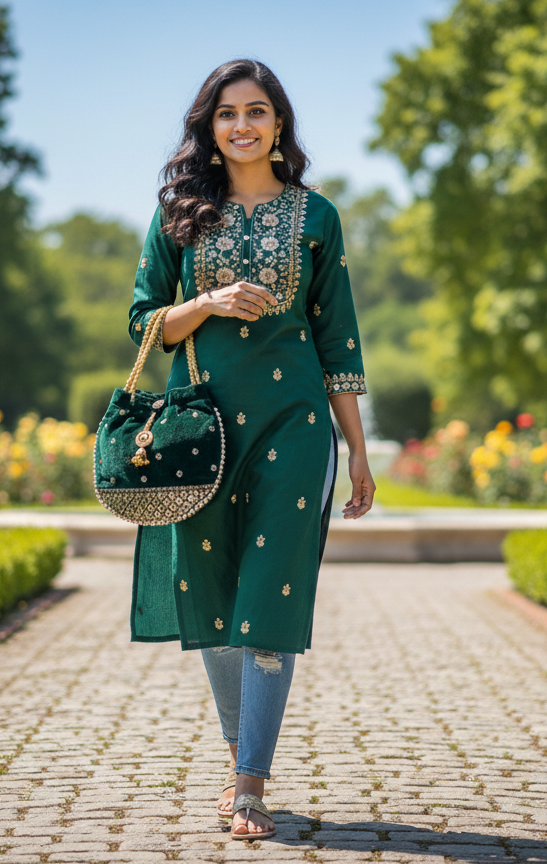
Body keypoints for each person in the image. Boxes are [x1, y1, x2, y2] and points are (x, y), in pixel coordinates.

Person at [126, 58, 375, 841]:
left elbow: (338, 340)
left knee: (270, 594)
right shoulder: (179, 216)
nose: (242, 125)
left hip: (294, 425)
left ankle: (249, 785)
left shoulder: (317, 217)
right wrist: (206, 301)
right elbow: (141, 324)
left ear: (279, 124)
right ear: (210, 127)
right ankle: (244, 750)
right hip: (203, 429)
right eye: (227, 113)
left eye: (258, 111)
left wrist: (359, 452)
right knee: (211, 592)